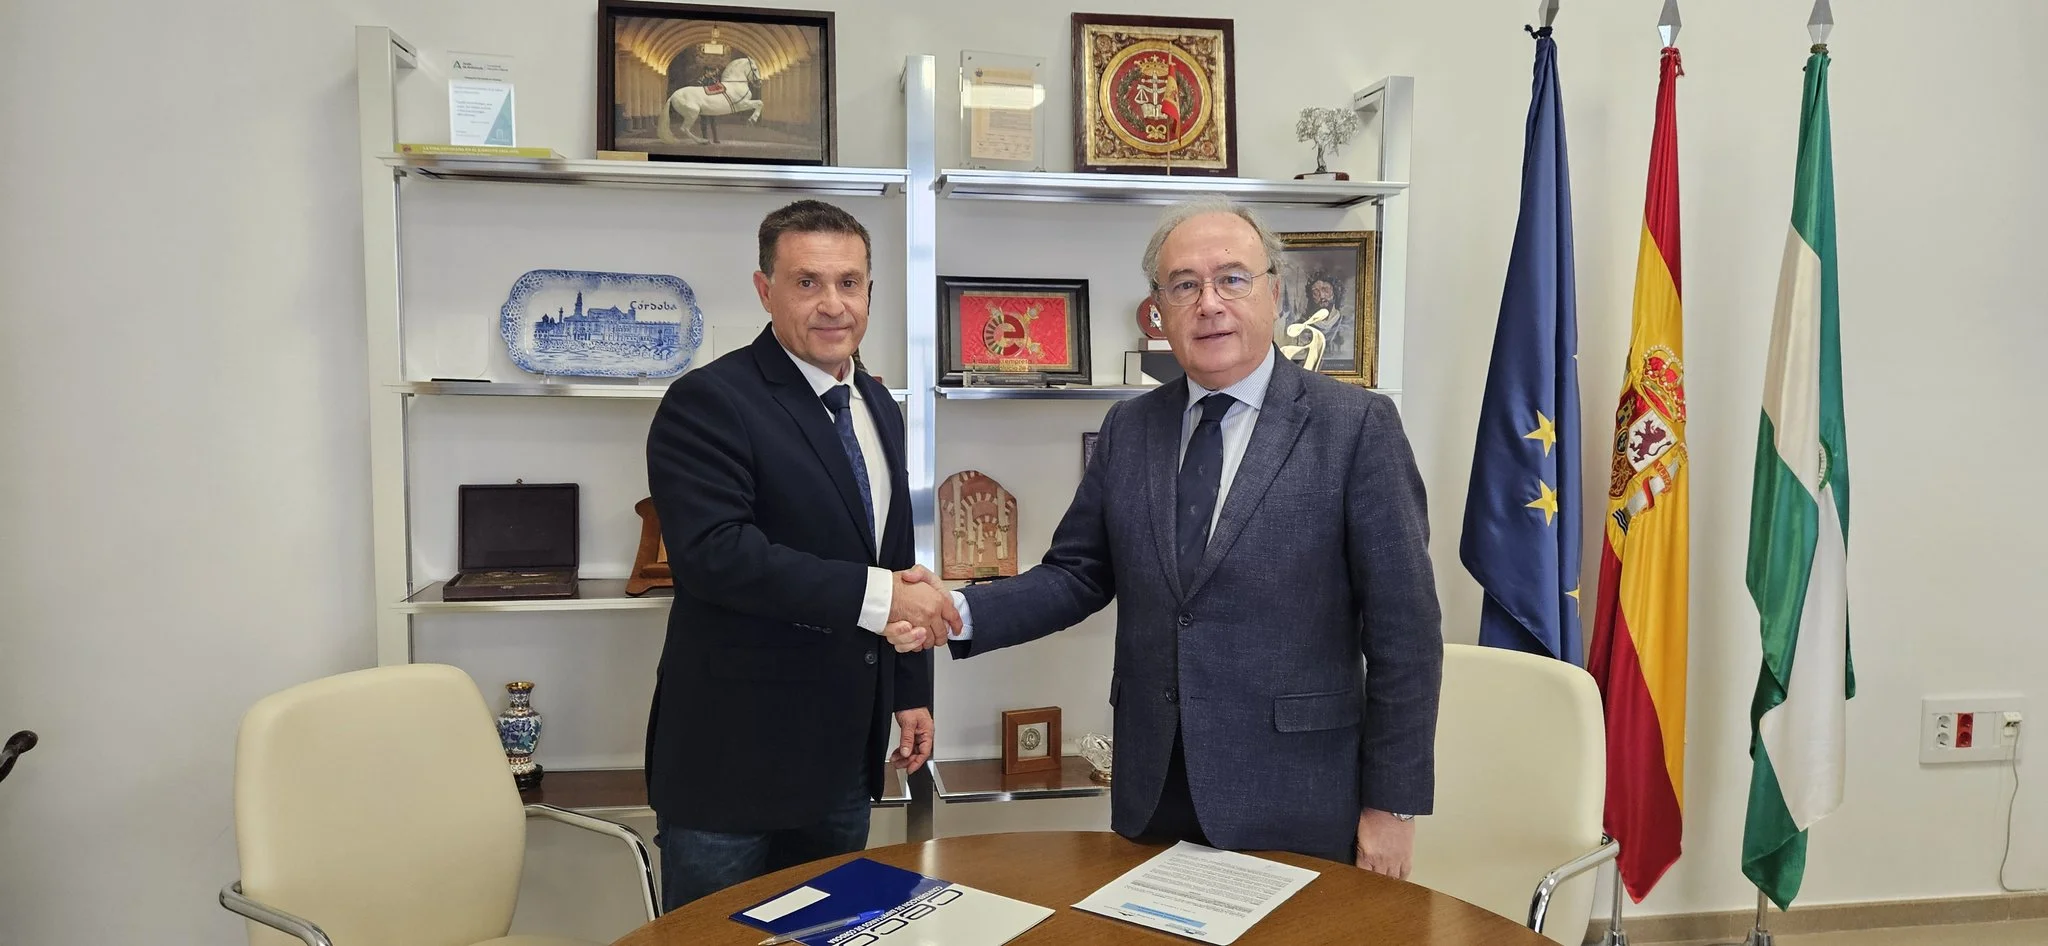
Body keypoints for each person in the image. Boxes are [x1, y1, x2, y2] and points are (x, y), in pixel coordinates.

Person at [889, 196, 1442, 875]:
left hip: (1298, 793)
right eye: (1184, 285)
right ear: (1158, 309)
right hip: (1155, 787)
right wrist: (956, 610)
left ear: (1274, 294)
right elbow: (1077, 574)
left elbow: (1406, 636)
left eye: (1232, 279)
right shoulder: (1130, 428)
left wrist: (1392, 807)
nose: (1209, 303)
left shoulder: (1356, 427)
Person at [646, 199, 959, 910]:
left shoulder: (877, 403)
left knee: (830, 932)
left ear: (871, 292)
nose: (832, 305)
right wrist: (883, 598)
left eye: (849, 283)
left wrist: (910, 693)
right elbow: (715, 554)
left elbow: (894, 556)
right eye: (807, 282)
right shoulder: (708, 400)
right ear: (766, 290)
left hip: (842, 759)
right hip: (730, 766)